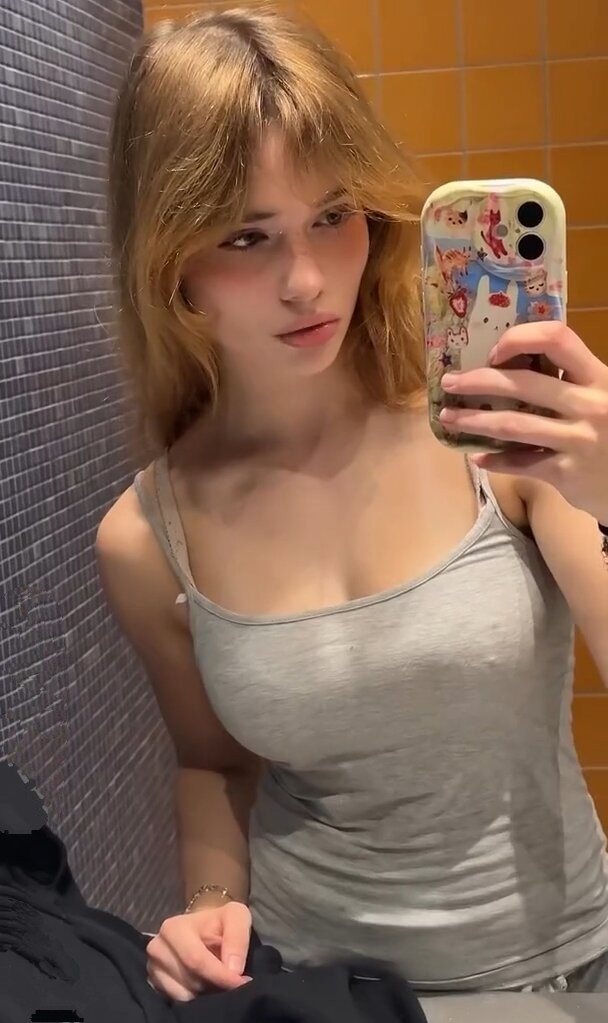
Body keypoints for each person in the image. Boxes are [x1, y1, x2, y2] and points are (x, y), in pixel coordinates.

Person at [95, 3, 608, 1005]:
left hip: (561, 977)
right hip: (320, 995)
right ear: (168, 263)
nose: (306, 279)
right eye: (246, 236)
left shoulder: (499, 437)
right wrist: (209, 904)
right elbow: (213, 764)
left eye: (333, 216)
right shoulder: (146, 536)